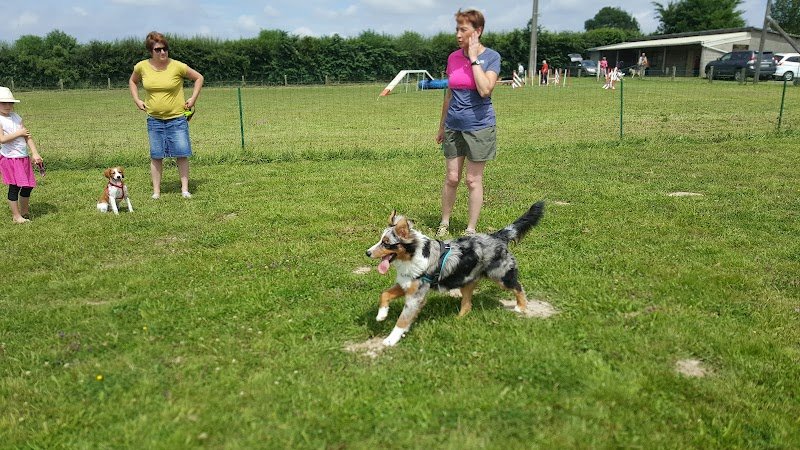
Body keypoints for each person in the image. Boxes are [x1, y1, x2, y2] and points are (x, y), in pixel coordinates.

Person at [435, 8, 501, 237]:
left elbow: (485, 90)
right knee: (452, 177)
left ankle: (470, 229)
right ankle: (444, 222)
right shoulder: (452, 57)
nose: (458, 34)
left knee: (473, 180)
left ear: (478, 31)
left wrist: (473, 59)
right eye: (457, 29)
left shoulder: (491, 57)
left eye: (463, 29)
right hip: (454, 125)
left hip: (479, 126)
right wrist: (442, 125)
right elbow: (449, 93)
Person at [129, 31, 204, 199]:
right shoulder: (141, 67)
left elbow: (199, 78)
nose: (162, 52)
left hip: (177, 118)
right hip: (154, 119)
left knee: (182, 153)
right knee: (156, 155)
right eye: (158, 50)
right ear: (151, 51)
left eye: (165, 49)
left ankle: (184, 189)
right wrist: (137, 99)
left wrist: (193, 98)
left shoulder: (177, 66)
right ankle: (156, 192)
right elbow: (133, 81)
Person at [0, 87, 42, 224]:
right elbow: (2, 139)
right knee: (15, 187)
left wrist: (35, 153)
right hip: (10, 159)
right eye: (3, 103)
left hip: (23, 157)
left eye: (10, 103)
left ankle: (24, 212)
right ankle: (16, 216)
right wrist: (19, 133)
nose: (7, 106)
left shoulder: (16, 117)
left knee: (28, 185)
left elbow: (27, 136)